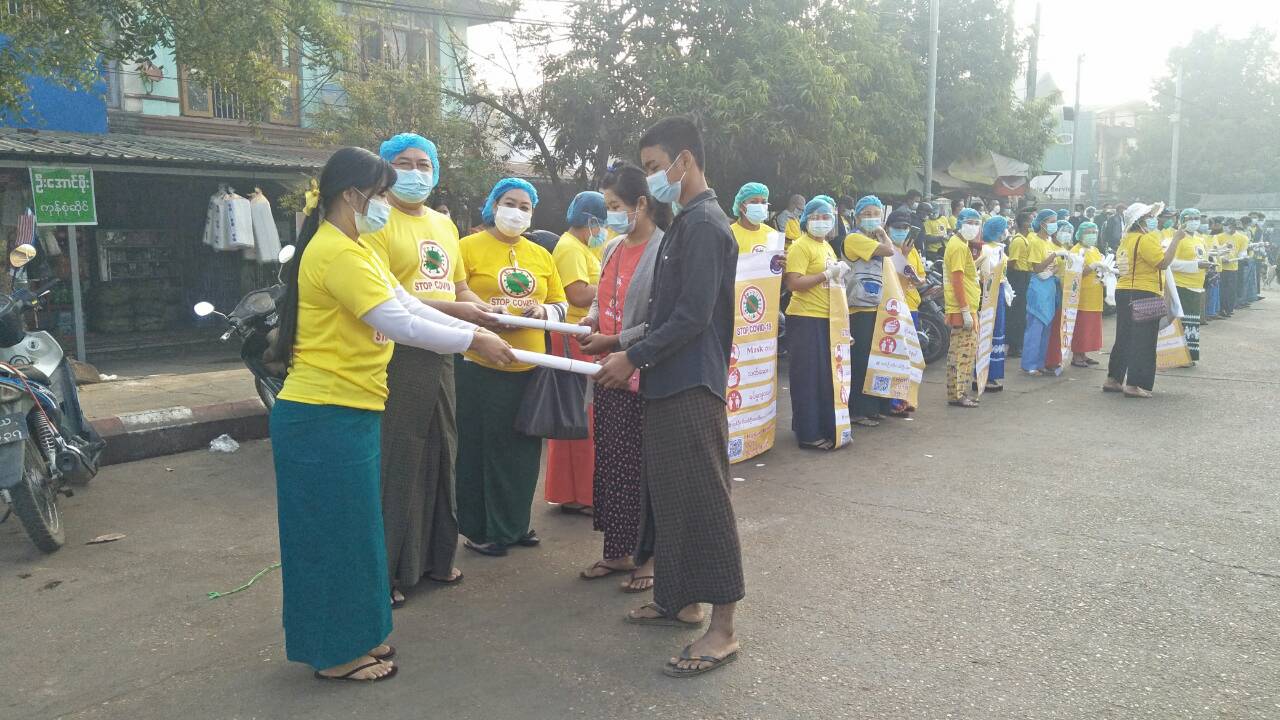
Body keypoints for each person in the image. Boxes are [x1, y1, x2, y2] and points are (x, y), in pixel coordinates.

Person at [271, 147, 513, 682]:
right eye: (381, 193)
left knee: (358, 534)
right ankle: (335, 654)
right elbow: (399, 324)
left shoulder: (355, 248)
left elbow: (407, 303)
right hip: (323, 414)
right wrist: (474, 340)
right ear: (352, 195)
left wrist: (471, 326)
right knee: (333, 538)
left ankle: (358, 635)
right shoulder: (337, 252)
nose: (387, 202)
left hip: (350, 409)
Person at [594, 117, 744, 678]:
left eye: (656, 167)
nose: (653, 177)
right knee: (671, 500)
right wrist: (619, 341)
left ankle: (723, 630)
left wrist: (632, 357)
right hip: (666, 382)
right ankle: (679, 602)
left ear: (685, 160)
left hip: (691, 385)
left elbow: (691, 317)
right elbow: (663, 313)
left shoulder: (704, 224)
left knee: (704, 503)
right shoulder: (684, 222)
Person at [364, 133, 501, 607]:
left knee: (443, 449)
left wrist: (484, 311)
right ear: (385, 170)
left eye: (424, 164)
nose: (416, 172)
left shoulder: (444, 225)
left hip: (444, 351)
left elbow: (459, 288)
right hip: (398, 352)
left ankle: (436, 558)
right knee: (400, 454)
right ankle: (389, 571)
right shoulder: (376, 222)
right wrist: (462, 318)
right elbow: (391, 300)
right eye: (404, 163)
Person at [456, 178, 568, 557]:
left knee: (522, 450)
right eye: (509, 203)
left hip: (530, 367)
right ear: (493, 205)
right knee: (481, 448)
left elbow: (561, 302)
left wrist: (543, 311)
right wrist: (488, 313)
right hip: (481, 364)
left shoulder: (541, 254)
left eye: (525, 207)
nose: (516, 212)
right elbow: (455, 292)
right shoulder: (467, 247)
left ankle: (515, 524)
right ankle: (481, 530)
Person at [577, 162, 670, 593]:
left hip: (642, 370)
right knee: (613, 464)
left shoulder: (664, 248)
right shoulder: (612, 247)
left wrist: (615, 340)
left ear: (641, 204)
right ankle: (618, 551)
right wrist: (591, 322)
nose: (610, 215)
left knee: (644, 468)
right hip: (607, 372)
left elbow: (661, 320)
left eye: (616, 206)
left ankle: (648, 557)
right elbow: (602, 298)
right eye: (607, 206)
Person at [545, 191, 607, 515]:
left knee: (580, 419)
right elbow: (578, 295)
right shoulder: (569, 248)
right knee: (580, 419)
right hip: (572, 338)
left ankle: (575, 492)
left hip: (580, 338)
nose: (605, 229)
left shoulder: (583, 247)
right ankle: (582, 495)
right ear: (591, 220)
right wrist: (614, 285)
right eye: (603, 221)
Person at [1105, 202, 1187, 398]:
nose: (1153, 219)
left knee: (1124, 336)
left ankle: (1114, 379)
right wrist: (1176, 240)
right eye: (1149, 216)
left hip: (1125, 290)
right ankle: (1134, 384)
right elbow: (1163, 263)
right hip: (1145, 291)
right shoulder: (1147, 238)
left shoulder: (1126, 239)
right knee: (1145, 339)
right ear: (1139, 220)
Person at [784, 197, 845, 448]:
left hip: (825, 317)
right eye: (816, 217)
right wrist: (826, 274)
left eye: (826, 217)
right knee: (807, 377)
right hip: (805, 318)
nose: (822, 222)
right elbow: (793, 283)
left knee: (823, 378)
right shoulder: (801, 246)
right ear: (806, 220)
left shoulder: (826, 246)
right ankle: (808, 434)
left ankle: (815, 425)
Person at [841, 195, 896, 427]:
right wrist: (882, 232)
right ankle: (857, 411)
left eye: (876, 214)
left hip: (874, 306)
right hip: (858, 308)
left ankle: (873, 407)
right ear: (857, 217)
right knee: (860, 361)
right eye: (867, 214)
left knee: (874, 361)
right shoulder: (855, 239)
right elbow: (889, 250)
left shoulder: (869, 240)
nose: (872, 218)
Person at [889, 206, 927, 415]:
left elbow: (921, 277)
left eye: (905, 227)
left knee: (911, 357)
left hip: (912, 306)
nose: (902, 231)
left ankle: (907, 398)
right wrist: (902, 256)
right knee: (897, 357)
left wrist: (918, 279)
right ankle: (894, 401)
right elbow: (890, 278)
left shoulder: (913, 251)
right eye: (898, 227)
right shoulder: (886, 251)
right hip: (894, 309)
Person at [1021, 209, 1066, 376]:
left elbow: (1053, 267)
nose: (1054, 225)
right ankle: (1029, 365)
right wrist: (1053, 255)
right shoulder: (1035, 242)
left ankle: (1040, 363)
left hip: (1049, 287)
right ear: (1042, 223)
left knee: (1046, 327)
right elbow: (1037, 268)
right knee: (1035, 327)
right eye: (1051, 221)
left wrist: (1054, 268)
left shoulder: (1048, 242)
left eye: (1056, 221)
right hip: (1038, 287)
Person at [944, 209, 982, 407]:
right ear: (960, 223)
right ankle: (958, 394)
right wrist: (965, 311)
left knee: (961, 352)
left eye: (977, 223)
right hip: (962, 308)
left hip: (964, 306)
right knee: (962, 354)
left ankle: (958, 393)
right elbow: (957, 280)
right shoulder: (958, 246)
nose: (973, 227)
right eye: (970, 222)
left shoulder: (960, 244)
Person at [1167, 208, 1211, 365]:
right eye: (1190, 218)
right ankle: (1180, 357)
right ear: (1182, 220)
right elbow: (1170, 263)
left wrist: (1206, 265)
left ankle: (1189, 356)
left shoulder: (1199, 239)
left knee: (1192, 324)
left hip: (1196, 285)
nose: (1194, 221)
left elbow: (1202, 257)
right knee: (1184, 323)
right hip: (1182, 285)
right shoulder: (1178, 238)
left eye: (1196, 218)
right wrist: (1195, 265)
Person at [978, 215, 1011, 392]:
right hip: (989, 294)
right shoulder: (987, 250)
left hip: (999, 291)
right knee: (987, 332)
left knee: (997, 331)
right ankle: (983, 375)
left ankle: (992, 375)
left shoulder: (999, 248)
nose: (1007, 232)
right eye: (1004, 228)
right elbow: (984, 275)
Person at [1069, 221, 1107, 367]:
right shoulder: (1076, 250)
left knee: (1090, 326)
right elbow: (1075, 274)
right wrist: (1092, 267)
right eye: (1088, 232)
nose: (1092, 235)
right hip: (1082, 295)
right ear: (1080, 234)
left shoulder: (1095, 250)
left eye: (1094, 232)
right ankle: (1076, 355)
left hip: (1095, 293)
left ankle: (1083, 353)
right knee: (1081, 325)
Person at [1043, 220, 1076, 373]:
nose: (1066, 234)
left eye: (1069, 232)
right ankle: (1048, 360)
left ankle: (1057, 359)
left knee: (1061, 326)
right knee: (1052, 325)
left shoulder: (1067, 249)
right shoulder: (1050, 247)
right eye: (1063, 231)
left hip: (1067, 291)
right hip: (1053, 290)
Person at [1004, 210, 1033, 358]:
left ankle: (1018, 343)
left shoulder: (1025, 239)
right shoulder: (1018, 241)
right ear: (1025, 224)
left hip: (1024, 276)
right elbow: (1012, 262)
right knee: (1016, 312)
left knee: (1022, 312)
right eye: (1030, 221)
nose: (1032, 224)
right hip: (1017, 276)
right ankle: (1014, 345)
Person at [730, 182, 774, 254]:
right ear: (741, 206)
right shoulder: (729, 234)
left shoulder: (772, 234)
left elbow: (775, 259)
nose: (760, 206)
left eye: (763, 202)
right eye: (754, 202)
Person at [1216, 218, 1240, 318]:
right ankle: (1222, 309)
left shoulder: (1241, 237)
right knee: (1223, 289)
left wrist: (1234, 259)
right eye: (1224, 225)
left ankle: (1229, 309)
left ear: (1233, 226)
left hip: (1233, 267)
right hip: (1222, 267)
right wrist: (1221, 259)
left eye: (1228, 225)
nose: (1226, 227)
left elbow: (1242, 253)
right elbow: (1215, 250)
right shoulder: (1219, 237)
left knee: (1231, 290)